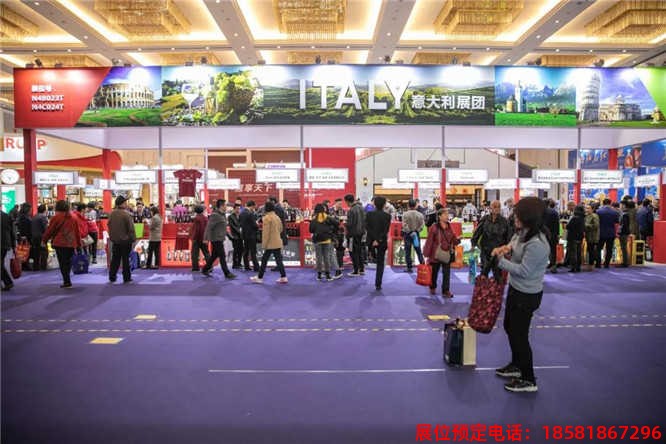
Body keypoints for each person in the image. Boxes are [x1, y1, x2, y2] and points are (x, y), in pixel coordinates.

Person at [491, 197, 550, 393]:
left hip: (527, 295)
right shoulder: (522, 233)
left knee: (520, 336)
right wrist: (504, 249)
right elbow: (512, 244)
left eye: (518, 215)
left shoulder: (538, 244)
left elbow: (524, 271)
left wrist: (501, 261)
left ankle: (528, 379)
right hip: (516, 289)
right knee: (509, 327)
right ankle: (516, 365)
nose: (514, 217)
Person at [42, 200, 82, 288]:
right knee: (68, 261)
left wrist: (44, 240)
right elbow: (77, 232)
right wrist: (79, 244)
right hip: (71, 242)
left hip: (60, 243)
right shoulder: (74, 217)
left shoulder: (56, 217)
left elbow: (50, 230)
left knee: (62, 262)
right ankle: (67, 278)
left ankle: (66, 280)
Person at [423, 208, 459, 298]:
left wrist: (457, 240)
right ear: (439, 216)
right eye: (445, 214)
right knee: (434, 272)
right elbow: (429, 241)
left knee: (447, 273)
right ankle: (433, 286)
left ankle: (446, 290)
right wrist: (426, 253)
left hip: (446, 253)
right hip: (435, 254)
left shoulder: (449, 226)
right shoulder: (434, 227)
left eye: (448, 214)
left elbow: (453, 238)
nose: (447, 216)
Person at [471, 200, 511, 282]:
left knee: (498, 274)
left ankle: (498, 288)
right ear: (490, 208)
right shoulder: (485, 219)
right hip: (485, 250)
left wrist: (508, 249)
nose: (497, 209)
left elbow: (508, 236)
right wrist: (473, 243)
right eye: (495, 207)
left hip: (499, 251)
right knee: (484, 272)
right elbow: (478, 231)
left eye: (498, 207)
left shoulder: (504, 221)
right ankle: (483, 288)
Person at [251, 201, 287, 284]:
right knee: (278, 260)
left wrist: (264, 244)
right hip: (277, 241)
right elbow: (281, 229)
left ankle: (260, 277)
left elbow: (266, 233)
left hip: (270, 243)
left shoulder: (267, 218)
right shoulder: (277, 217)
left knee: (264, 260)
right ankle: (283, 277)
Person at [202, 199, 237, 280]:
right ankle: (227, 273)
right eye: (225, 205)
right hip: (216, 239)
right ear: (221, 206)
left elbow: (223, 228)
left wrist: (230, 236)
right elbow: (208, 227)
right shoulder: (215, 215)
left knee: (214, 255)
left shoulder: (222, 215)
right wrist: (205, 238)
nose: (226, 207)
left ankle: (205, 269)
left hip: (220, 238)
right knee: (222, 255)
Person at [366, 196, 392, 291]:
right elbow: (386, 230)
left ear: (374, 204)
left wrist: (374, 239)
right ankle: (378, 284)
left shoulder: (369, 214)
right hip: (382, 241)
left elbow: (367, 228)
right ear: (384, 204)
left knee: (372, 259)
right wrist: (378, 239)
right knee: (380, 262)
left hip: (371, 241)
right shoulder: (387, 216)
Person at [309, 203, 341, 281]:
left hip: (317, 240)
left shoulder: (314, 219)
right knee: (326, 257)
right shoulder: (328, 217)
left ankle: (319, 275)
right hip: (327, 240)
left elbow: (311, 230)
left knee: (319, 258)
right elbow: (337, 223)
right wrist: (331, 229)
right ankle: (328, 275)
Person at [107, 196, 135, 283]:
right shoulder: (126, 214)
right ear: (122, 204)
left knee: (115, 260)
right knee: (125, 260)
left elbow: (109, 226)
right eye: (125, 203)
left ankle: (112, 276)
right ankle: (126, 277)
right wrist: (132, 239)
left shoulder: (112, 214)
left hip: (115, 241)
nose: (126, 204)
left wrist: (112, 237)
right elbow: (131, 229)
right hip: (126, 241)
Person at [344, 194, 366, 277]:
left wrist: (345, 224)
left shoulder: (351, 210)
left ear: (347, 201)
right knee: (359, 251)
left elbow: (350, 224)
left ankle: (356, 270)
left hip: (353, 234)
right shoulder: (361, 208)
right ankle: (361, 269)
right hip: (361, 233)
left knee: (353, 252)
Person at [402, 199, 425, 273]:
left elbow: (404, 225)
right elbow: (422, 225)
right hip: (416, 234)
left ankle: (409, 267)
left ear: (408, 205)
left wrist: (410, 231)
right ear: (416, 205)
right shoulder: (420, 214)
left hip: (407, 234)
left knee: (408, 251)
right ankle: (423, 265)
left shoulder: (405, 214)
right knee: (418, 250)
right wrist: (416, 231)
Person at [240, 200, 260, 272]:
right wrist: (257, 224)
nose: (254, 208)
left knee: (246, 251)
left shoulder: (241, 213)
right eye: (254, 207)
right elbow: (254, 225)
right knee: (253, 252)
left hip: (244, 235)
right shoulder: (250, 214)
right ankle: (256, 267)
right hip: (251, 235)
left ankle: (246, 266)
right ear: (252, 206)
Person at [618, 199, 638, 267]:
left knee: (624, 248)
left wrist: (621, 232)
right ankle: (625, 262)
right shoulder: (626, 213)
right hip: (625, 232)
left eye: (621, 205)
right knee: (624, 247)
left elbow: (624, 225)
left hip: (624, 233)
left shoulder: (625, 214)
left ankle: (625, 262)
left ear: (624, 205)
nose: (620, 206)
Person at [566, 205, 585, 273]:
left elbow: (568, 226)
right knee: (578, 252)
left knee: (573, 252)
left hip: (572, 237)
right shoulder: (583, 218)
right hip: (580, 237)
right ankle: (578, 267)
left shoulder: (574, 218)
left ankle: (573, 267)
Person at [190, 206, 210, 272]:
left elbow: (197, 230)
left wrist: (193, 238)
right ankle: (210, 267)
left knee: (194, 254)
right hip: (204, 238)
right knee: (206, 253)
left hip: (197, 239)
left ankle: (195, 267)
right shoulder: (205, 218)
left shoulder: (196, 218)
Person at [329, 198, 346, 272]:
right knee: (330, 249)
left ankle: (340, 265)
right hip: (332, 233)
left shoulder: (343, 211)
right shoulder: (330, 210)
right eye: (339, 204)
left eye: (341, 204)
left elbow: (345, 219)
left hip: (340, 232)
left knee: (340, 249)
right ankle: (331, 264)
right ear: (335, 203)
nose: (340, 205)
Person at [30, 204, 49, 271]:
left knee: (36, 252)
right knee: (44, 252)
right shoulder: (43, 217)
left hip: (34, 236)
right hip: (41, 237)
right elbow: (45, 228)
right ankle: (43, 267)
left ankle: (36, 267)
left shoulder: (34, 216)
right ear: (44, 210)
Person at [543, 199, 560, 273]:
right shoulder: (554, 212)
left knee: (544, 250)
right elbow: (557, 224)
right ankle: (553, 265)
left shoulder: (542, 212)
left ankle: (543, 266)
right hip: (553, 234)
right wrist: (558, 234)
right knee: (553, 250)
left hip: (545, 234)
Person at [1, 210, 16, 291]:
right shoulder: (6, 216)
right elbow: (12, 232)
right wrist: (13, 245)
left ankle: (8, 282)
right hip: (6, 243)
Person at [584, 204, 600, 268]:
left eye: (588, 208)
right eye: (586, 208)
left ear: (592, 209)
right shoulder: (586, 216)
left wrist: (586, 225)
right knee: (590, 250)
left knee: (592, 250)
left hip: (593, 236)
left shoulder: (594, 216)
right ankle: (590, 264)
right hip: (588, 236)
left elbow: (596, 226)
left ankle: (592, 264)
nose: (587, 210)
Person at [228, 203, 244, 269]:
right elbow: (232, 226)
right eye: (237, 209)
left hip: (241, 236)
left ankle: (239, 263)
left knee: (241, 250)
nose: (238, 210)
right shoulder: (230, 217)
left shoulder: (240, 216)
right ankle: (234, 264)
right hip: (235, 236)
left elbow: (241, 224)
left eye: (239, 209)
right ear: (234, 209)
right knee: (236, 250)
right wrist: (239, 231)